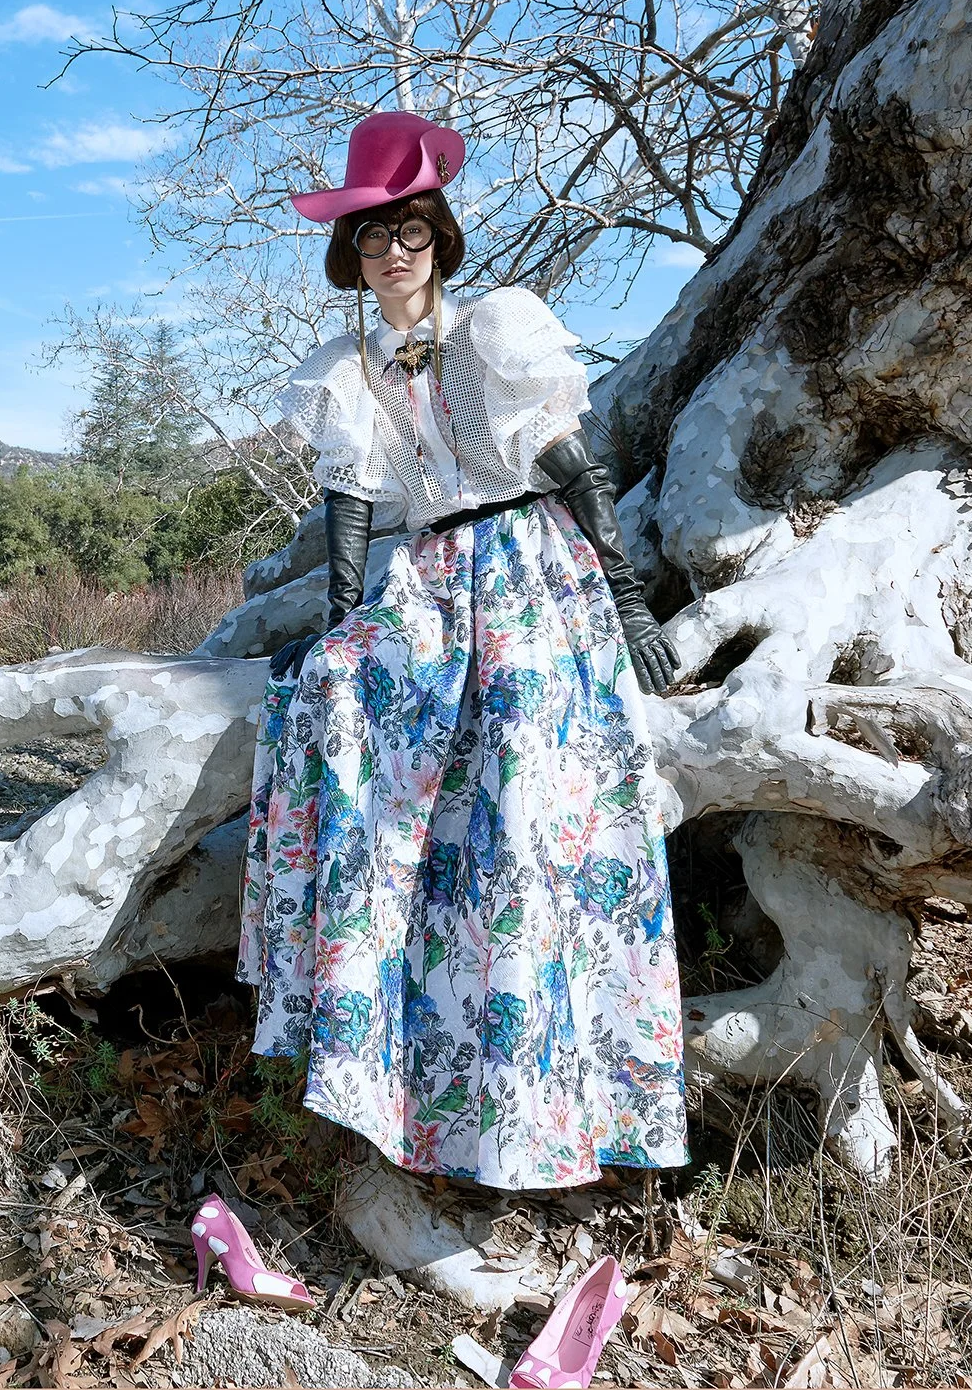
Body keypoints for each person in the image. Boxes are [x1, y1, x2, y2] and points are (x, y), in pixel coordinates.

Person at [237, 110, 691, 1194]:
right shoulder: (345, 371)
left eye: (413, 231)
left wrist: (625, 600)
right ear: (347, 254)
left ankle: (556, 1100)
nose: (395, 251)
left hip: (529, 566)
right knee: (341, 715)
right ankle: (393, 1062)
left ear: (439, 238)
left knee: (527, 808)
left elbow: (568, 463)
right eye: (374, 236)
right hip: (429, 580)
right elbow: (353, 513)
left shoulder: (493, 329)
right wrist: (346, 622)